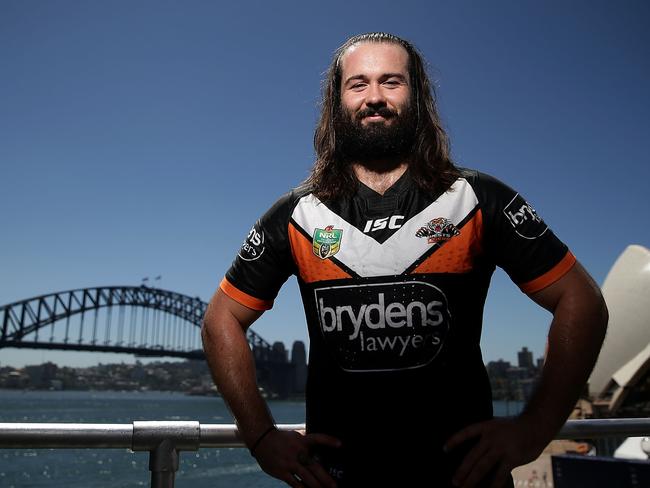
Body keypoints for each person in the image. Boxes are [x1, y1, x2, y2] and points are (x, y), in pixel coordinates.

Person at [201, 32, 608, 488]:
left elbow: (582, 301)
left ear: (418, 96)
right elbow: (221, 318)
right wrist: (259, 436)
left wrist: (534, 428)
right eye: (358, 84)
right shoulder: (295, 215)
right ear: (336, 102)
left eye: (391, 82)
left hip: (463, 477)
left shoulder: (477, 199)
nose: (374, 97)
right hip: (338, 478)